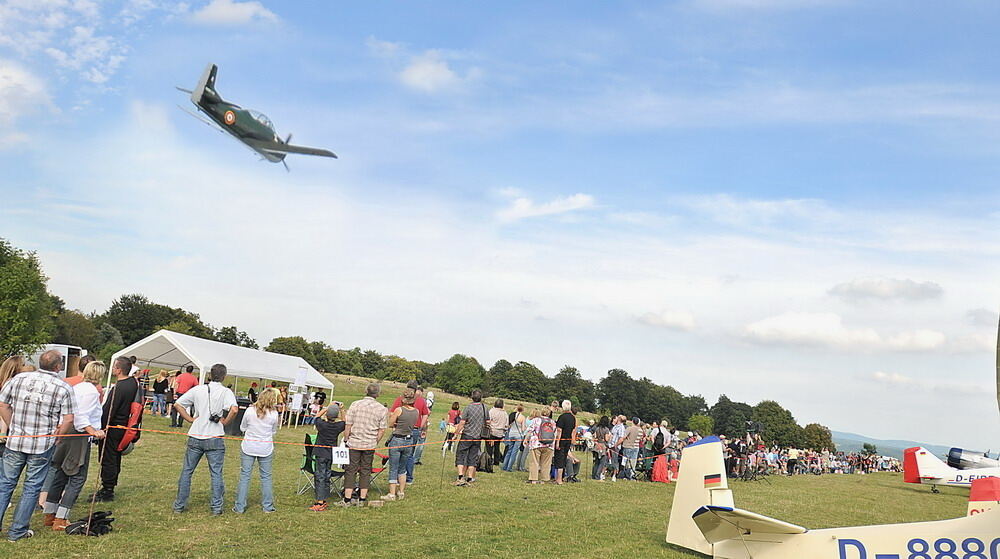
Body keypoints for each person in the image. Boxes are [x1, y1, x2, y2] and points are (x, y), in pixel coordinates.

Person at [0, 350, 75, 542]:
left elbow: (3, 404)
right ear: (58, 367)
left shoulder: (19, 379)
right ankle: (16, 532)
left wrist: (12, 426)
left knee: (5, 485)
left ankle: (17, 530)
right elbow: (68, 419)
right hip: (42, 444)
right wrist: (59, 436)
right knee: (31, 488)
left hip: (16, 442)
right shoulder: (63, 387)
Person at [42, 360, 107, 530]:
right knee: (77, 476)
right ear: (100, 375)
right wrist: (94, 431)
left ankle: (50, 513)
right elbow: (81, 416)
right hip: (78, 436)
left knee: (61, 473)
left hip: (67, 432)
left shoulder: (76, 388)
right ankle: (61, 519)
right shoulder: (91, 392)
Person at [172, 363, 238, 515]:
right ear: (224, 376)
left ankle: (179, 506)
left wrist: (189, 419)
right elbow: (234, 409)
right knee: (216, 473)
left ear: (210, 375)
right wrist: (226, 422)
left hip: (196, 435)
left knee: (187, 471)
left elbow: (177, 404)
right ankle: (216, 508)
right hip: (215, 437)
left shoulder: (198, 389)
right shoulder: (225, 391)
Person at [91, 356, 142, 503]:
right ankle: (109, 485)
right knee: (114, 458)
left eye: (114, 367)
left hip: (114, 428)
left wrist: (100, 428)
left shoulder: (120, 387)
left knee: (108, 459)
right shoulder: (133, 383)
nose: (112, 369)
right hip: (123, 427)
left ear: (119, 370)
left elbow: (109, 411)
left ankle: (107, 489)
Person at [340, 383, 387, 507]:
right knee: (366, 471)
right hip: (369, 444)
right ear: (378, 394)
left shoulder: (355, 404)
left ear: (366, 391)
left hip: (354, 443)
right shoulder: (382, 409)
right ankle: (362, 498)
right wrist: (375, 440)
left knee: (351, 470)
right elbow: (382, 429)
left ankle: (347, 499)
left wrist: (346, 439)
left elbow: (348, 424)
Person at [234, 387, 280, 514]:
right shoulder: (274, 414)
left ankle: (239, 507)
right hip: (264, 447)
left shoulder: (250, 411)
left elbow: (242, 427)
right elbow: (273, 431)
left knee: (245, 476)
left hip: (250, 446)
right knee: (266, 477)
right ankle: (268, 506)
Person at [384, 388, 419, 501]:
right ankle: (401, 492)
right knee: (402, 468)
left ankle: (392, 494)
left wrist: (394, 421)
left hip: (397, 439)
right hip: (409, 440)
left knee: (393, 467)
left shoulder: (399, 410)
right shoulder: (416, 411)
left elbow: (390, 424)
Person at [310, 402, 345, 511]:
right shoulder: (338, 426)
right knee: (327, 475)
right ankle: (324, 498)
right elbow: (345, 422)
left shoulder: (322, 425)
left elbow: (316, 416)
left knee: (320, 476)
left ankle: (320, 502)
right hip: (330, 454)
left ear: (327, 415)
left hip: (320, 453)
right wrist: (341, 410)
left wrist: (326, 408)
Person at [453, 389, 488, 487]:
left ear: (472, 397)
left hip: (467, 435)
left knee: (461, 455)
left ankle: (460, 477)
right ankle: (470, 477)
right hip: (478, 437)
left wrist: (456, 433)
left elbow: (462, 422)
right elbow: (488, 422)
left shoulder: (468, 407)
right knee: (473, 457)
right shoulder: (485, 408)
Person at [525, 409, 555, 484]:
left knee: (534, 462)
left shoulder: (536, 420)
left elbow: (530, 430)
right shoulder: (553, 422)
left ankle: (533, 479)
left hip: (536, 444)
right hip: (549, 445)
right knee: (546, 463)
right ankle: (544, 479)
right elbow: (555, 433)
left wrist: (526, 439)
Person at [553, 400, 576, 485]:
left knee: (559, 459)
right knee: (564, 458)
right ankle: (560, 478)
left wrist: (557, 442)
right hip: (568, 440)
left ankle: (559, 479)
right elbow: (573, 430)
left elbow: (559, 431)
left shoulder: (562, 417)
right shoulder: (573, 417)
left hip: (562, 440)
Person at [502, 404, 526, 472]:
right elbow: (523, 428)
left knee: (509, 451)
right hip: (518, 435)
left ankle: (504, 466)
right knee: (514, 452)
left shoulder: (512, 415)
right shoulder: (522, 417)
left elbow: (508, 425)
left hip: (511, 434)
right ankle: (509, 467)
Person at [591, 415, 612, 480]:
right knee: (602, 462)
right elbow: (606, 439)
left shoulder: (597, 428)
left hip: (597, 446)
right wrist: (610, 437)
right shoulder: (606, 429)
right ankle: (597, 475)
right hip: (603, 447)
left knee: (596, 462)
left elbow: (595, 437)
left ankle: (594, 475)